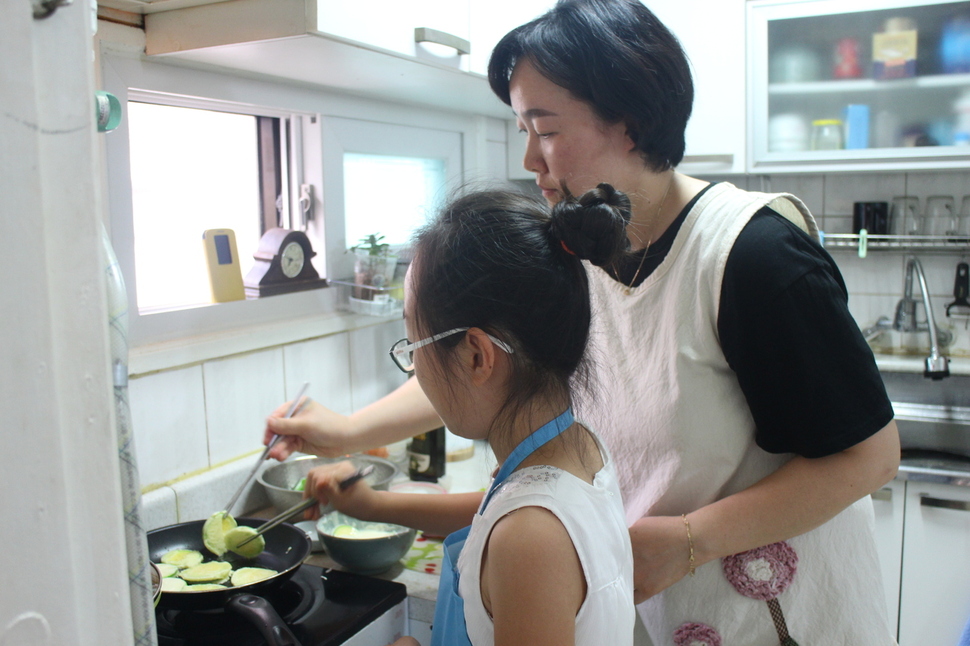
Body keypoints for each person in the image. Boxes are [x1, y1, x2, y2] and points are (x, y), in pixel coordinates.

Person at [265, 0, 900, 643]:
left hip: (786, 616)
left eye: (544, 129)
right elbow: (478, 358)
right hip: (670, 611)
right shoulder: (585, 244)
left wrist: (687, 540)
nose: (529, 161)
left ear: (627, 122)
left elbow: (869, 456)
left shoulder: (751, 257)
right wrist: (347, 431)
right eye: (522, 131)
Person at [301, 186, 637, 645]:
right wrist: (373, 506)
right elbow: (490, 510)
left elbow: (517, 528)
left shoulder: (528, 540)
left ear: (477, 356)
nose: (415, 365)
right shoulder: (576, 445)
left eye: (414, 345)